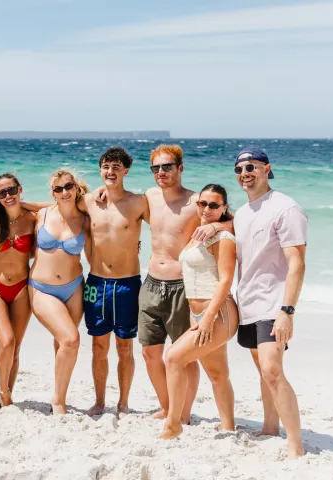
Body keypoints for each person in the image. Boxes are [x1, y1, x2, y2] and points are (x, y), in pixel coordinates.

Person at [138, 144, 232, 422]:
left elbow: (238, 223)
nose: (161, 172)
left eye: (167, 166)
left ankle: (184, 413)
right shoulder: (149, 197)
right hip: (151, 284)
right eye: (156, 167)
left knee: (184, 356)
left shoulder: (197, 202)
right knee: (149, 352)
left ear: (180, 168)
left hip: (182, 287)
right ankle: (168, 408)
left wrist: (217, 226)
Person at [233, 146, 307, 459]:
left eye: (251, 167)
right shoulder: (241, 212)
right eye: (239, 170)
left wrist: (287, 311)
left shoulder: (286, 208)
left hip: (273, 305)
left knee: (272, 370)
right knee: (265, 371)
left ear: (266, 168)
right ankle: (269, 426)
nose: (244, 174)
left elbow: (297, 263)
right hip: (247, 303)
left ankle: (296, 447)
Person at [161, 184, 239, 439]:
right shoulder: (198, 233)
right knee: (217, 374)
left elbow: (226, 281)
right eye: (203, 204)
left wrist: (206, 319)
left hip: (217, 314)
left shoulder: (223, 238)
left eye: (214, 205)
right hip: (199, 312)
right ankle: (228, 427)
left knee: (173, 358)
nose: (206, 209)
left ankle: (173, 424)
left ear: (224, 208)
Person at [78, 147, 148, 418]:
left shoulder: (138, 202)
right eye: (106, 166)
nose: (111, 171)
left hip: (127, 284)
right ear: (100, 170)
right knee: (98, 346)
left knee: (124, 345)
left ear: (126, 170)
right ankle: (99, 401)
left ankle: (123, 402)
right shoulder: (88, 201)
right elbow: (57, 206)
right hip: (96, 282)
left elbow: (168, 226)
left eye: (116, 166)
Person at [28, 168, 90, 415]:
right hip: (42, 288)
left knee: (62, 344)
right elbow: (10, 212)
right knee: (71, 339)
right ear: (51, 193)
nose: (64, 192)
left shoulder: (86, 218)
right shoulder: (40, 215)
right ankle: (59, 400)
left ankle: (59, 390)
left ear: (76, 188)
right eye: (58, 189)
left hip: (74, 287)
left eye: (68, 187)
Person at [0, 174, 35, 407]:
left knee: (16, 346)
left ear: (20, 189)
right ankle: (3, 393)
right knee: (7, 341)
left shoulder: (33, 219)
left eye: (11, 190)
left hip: (22, 288)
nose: (8, 196)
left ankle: (7, 394)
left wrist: (21, 204)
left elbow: (56, 205)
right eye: (2, 193)